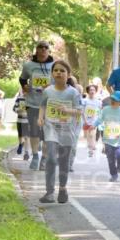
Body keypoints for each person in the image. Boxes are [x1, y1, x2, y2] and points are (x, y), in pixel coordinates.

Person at [37, 61, 81, 203]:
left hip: (67, 130)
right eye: (56, 70)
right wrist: (40, 117)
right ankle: (49, 193)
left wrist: (67, 110)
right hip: (51, 128)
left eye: (62, 71)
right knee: (50, 158)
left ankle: (62, 188)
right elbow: (43, 105)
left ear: (68, 74)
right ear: (52, 73)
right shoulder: (48, 91)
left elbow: (79, 111)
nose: (58, 73)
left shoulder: (73, 93)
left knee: (63, 161)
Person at [20, 40, 54, 170]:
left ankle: (44, 159)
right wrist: (25, 86)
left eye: (46, 47)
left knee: (47, 134)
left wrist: (52, 86)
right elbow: (22, 78)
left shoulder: (54, 65)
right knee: (34, 131)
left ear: (49, 50)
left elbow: (63, 79)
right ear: (37, 50)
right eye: (41, 47)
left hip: (49, 104)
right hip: (32, 103)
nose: (44, 49)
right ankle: (35, 156)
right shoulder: (28, 65)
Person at [99, 93, 120, 180]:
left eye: (116, 100)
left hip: (119, 140)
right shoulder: (105, 109)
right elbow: (100, 119)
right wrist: (94, 125)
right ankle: (114, 174)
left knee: (119, 154)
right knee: (110, 158)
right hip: (108, 139)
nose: (113, 101)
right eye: (112, 99)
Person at [81, 84, 102, 158]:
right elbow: (82, 111)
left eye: (93, 90)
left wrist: (98, 120)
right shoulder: (84, 101)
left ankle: (91, 150)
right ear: (88, 91)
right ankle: (90, 145)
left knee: (92, 134)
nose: (92, 91)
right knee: (88, 135)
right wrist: (84, 120)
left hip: (94, 121)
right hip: (86, 120)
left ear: (96, 91)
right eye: (90, 90)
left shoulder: (98, 102)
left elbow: (100, 112)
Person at [14, 82, 30, 158]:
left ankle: (26, 153)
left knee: (27, 137)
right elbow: (14, 108)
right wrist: (18, 110)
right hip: (20, 120)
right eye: (24, 90)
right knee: (20, 136)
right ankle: (20, 144)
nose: (25, 91)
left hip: (28, 121)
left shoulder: (32, 100)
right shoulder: (19, 99)